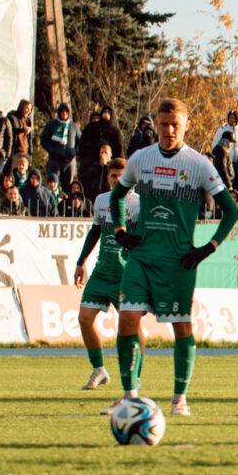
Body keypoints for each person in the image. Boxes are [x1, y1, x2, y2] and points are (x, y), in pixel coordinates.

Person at [105, 98, 238, 418]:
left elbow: (231, 211)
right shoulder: (141, 159)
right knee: (126, 321)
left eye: (175, 124)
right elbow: (117, 196)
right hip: (142, 257)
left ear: (186, 125)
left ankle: (179, 398)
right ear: (156, 122)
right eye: (164, 124)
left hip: (179, 261)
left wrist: (209, 247)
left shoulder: (200, 165)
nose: (168, 130)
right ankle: (129, 396)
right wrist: (121, 231)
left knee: (182, 328)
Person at [74, 157, 141, 392]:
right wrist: (81, 261)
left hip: (127, 275)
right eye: (113, 176)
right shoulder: (101, 200)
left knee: (133, 328)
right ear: (108, 177)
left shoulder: (139, 204)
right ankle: (99, 369)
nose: (117, 180)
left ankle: (136, 376)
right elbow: (94, 232)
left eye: (121, 176)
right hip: (102, 272)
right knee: (84, 318)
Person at [40, 102, 80, 189]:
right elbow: (44, 140)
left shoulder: (73, 126)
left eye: (66, 112)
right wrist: (52, 150)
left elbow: (80, 141)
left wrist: (75, 152)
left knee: (68, 186)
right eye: (62, 112)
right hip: (55, 160)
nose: (64, 114)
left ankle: (67, 202)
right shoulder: (51, 124)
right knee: (53, 184)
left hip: (69, 161)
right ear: (59, 112)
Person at [79, 104, 123, 177]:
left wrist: (115, 162)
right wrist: (83, 157)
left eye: (108, 113)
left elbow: (118, 147)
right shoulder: (92, 127)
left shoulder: (115, 131)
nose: (106, 114)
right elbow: (82, 142)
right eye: (104, 112)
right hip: (91, 159)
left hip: (108, 161)